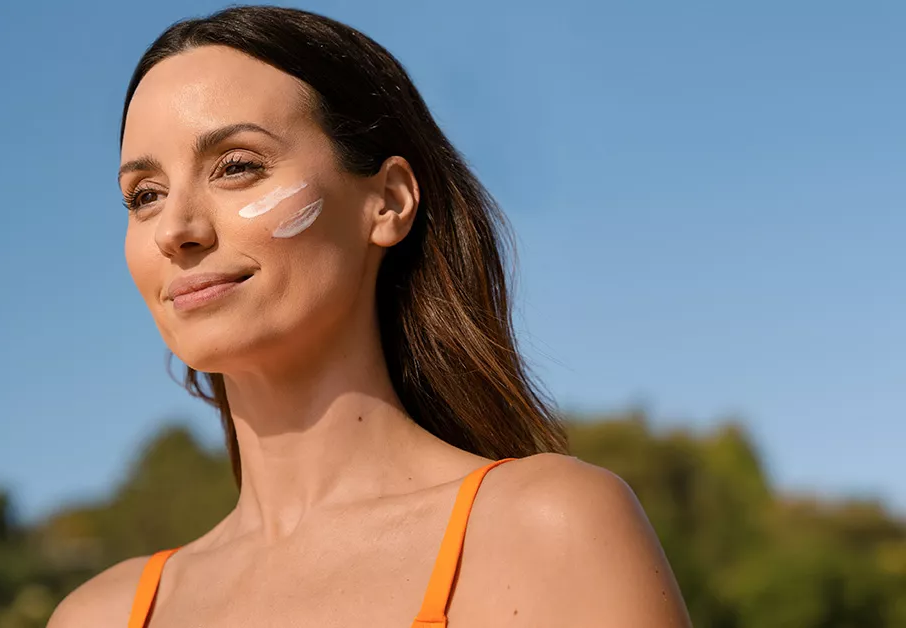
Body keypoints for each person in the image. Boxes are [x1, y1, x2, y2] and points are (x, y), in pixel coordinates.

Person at [49, 5, 691, 627]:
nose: (175, 230)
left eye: (237, 167)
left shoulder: (545, 529)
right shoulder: (100, 615)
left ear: (387, 202)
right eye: (146, 196)